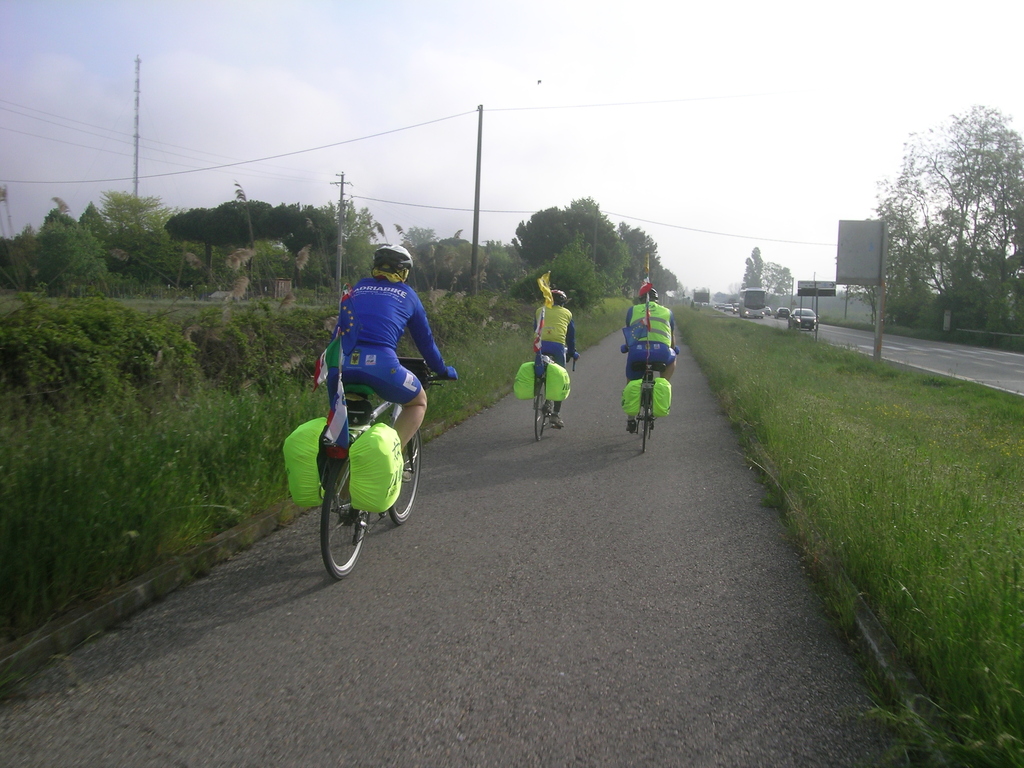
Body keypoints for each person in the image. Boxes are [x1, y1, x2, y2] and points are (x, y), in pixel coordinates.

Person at [337, 244, 457, 447]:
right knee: (418, 402)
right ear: (404, 271)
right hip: (382, 364)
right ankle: (392, 458)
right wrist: (442, 369)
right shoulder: (408, 295)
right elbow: (425, 343)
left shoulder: (356, 288)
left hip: (340, 362)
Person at [621, 285, 677, 433]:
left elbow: (630, 333)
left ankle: (630, 419)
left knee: (631, 380)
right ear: (657, 301)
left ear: (640, 299)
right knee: (672, 360)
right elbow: (671, 336)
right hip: (661, 353)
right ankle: (662, 382)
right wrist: (674, 348)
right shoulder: (667, 312)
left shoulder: (632, 311)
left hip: (638, 352)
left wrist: (627, 347)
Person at [534, 288, 578, 428]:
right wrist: (571, 352)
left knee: (539, 370)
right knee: (561, 379)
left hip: (540, 346)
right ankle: (555, 415)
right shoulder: (567, 313)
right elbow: (570, 337)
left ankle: (538, 388)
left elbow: (536, 328)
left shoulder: (539, 311)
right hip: (557, 347)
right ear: (563, 303)